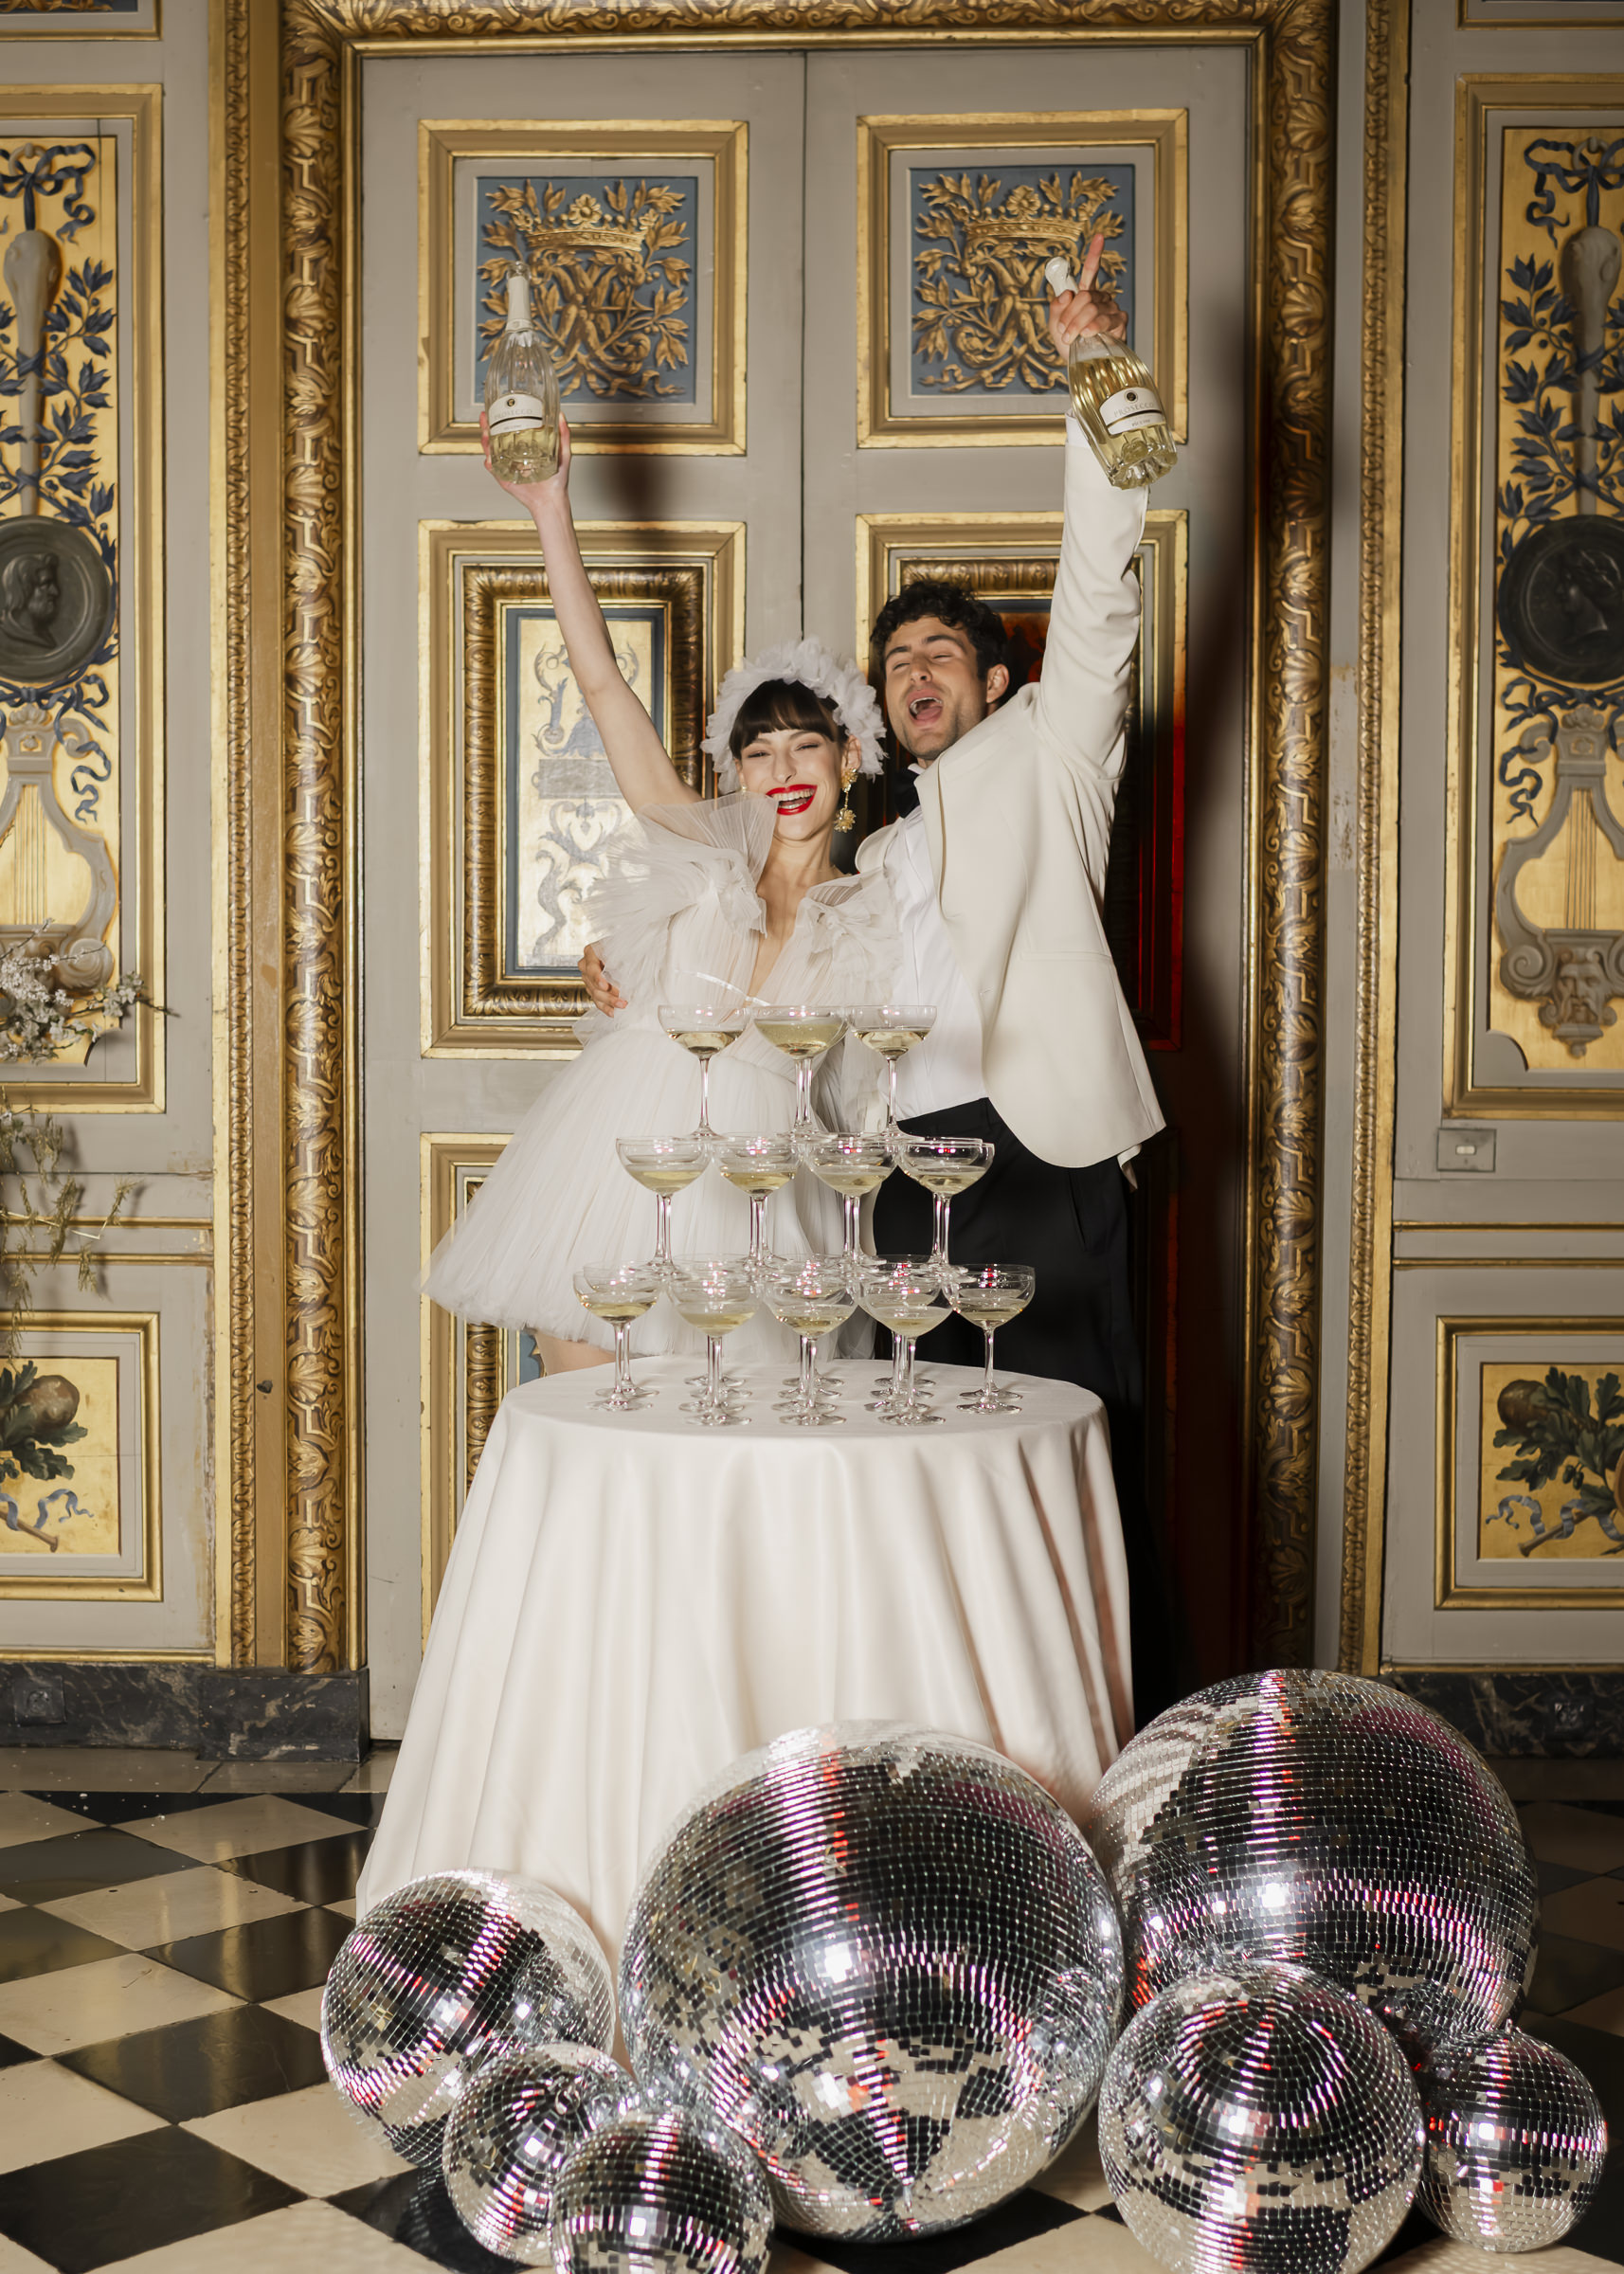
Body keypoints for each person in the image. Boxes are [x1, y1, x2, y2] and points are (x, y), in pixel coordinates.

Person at [584, 240, 1174, 1708]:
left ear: (992, 680)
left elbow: (1101, 593)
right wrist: (637, 982)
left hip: (1034, 1157)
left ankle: (1106, 1738)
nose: (918, 670)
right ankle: (949, 1734)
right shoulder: (866, 846)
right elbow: (751, 957)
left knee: (1067, 1453)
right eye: (897, 655)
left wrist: (1096, 383)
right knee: (923, 1465)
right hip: (892, 1175)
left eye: (943, 653)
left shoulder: (1051, 759)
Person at [424, 410, 898, 1374]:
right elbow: (601, 688)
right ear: (736, 772)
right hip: (621, 1168)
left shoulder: (881, 906)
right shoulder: (698, 850)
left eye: (806, 743)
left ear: (850, 756)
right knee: (591, 1444)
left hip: (770, 1204)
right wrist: (550, 509)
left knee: (727, 1484)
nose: (784, 769)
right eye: (758, 751)